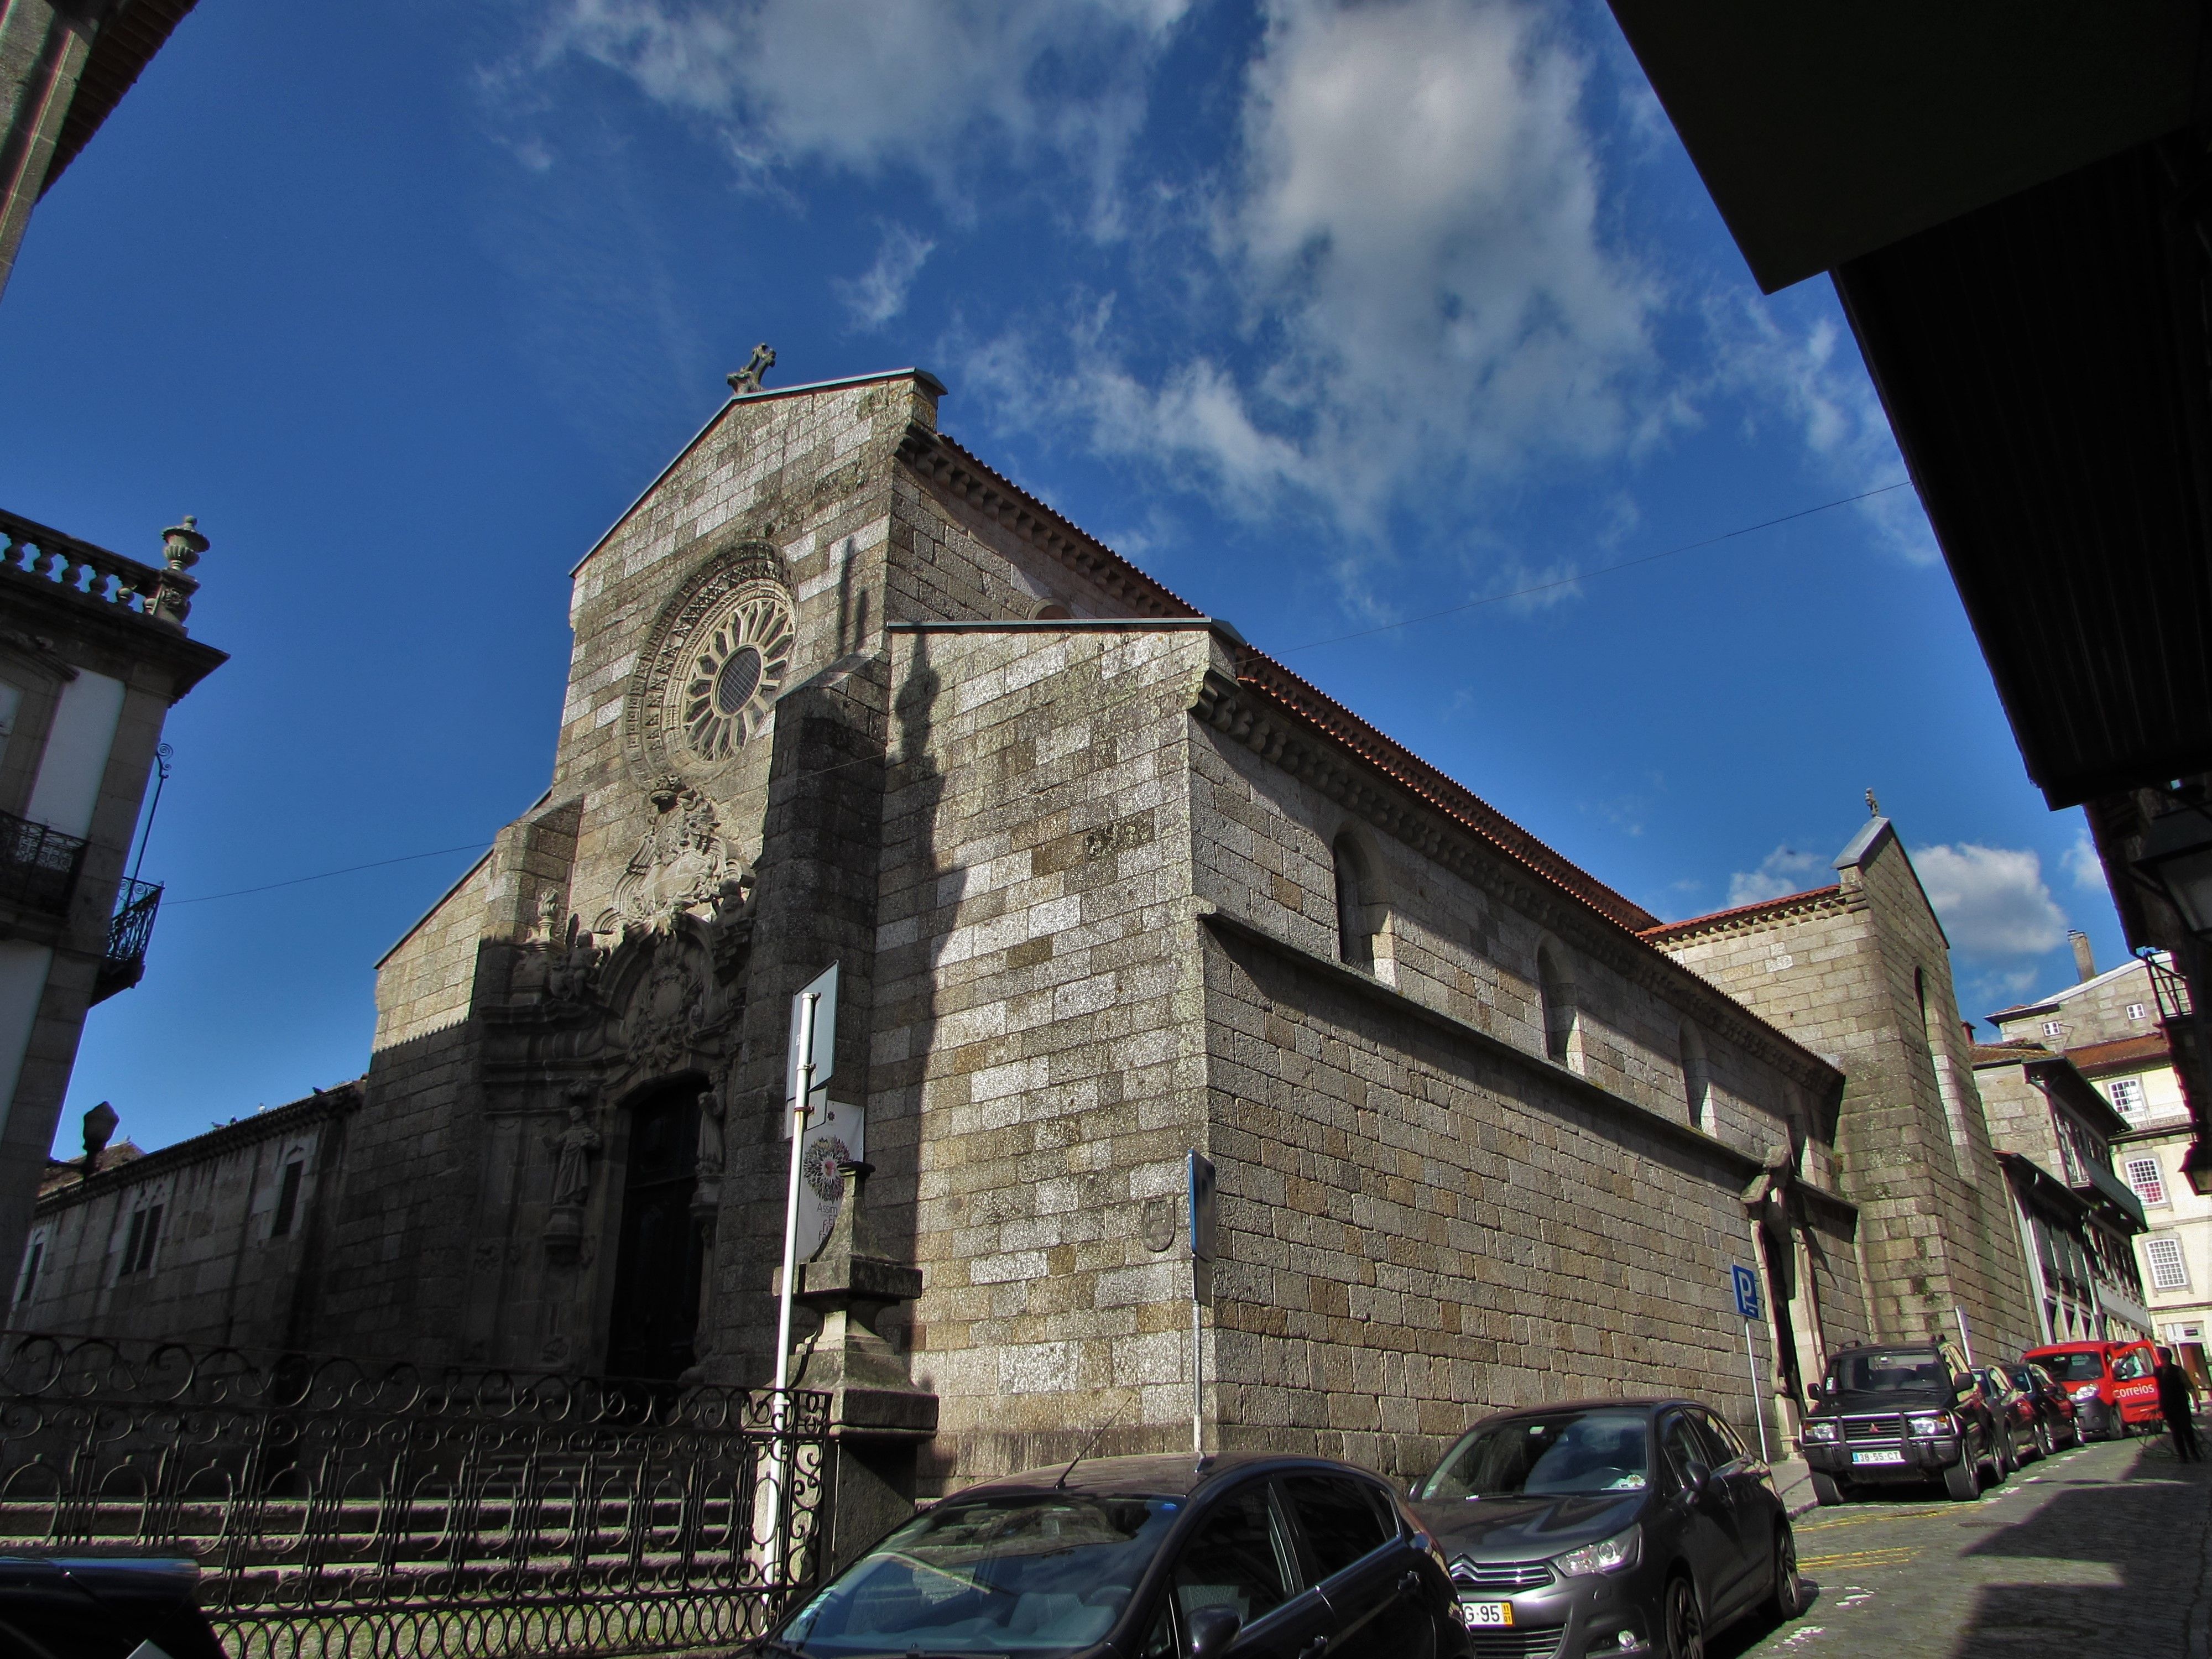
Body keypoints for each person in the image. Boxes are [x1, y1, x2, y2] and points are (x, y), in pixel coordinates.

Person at [2155, 1346, 2201, 1463]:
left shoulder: (2178, 1371)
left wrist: (2195, 1401)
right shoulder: (2157, 1371)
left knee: (2187, 1431)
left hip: (2181, 1406)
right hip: (2168, 1407)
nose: (2162, 1359)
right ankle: (2183, 1456)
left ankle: (2194, 1453)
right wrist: (2159, 1405)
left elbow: (2189, 1386)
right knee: (2176, 1432)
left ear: (2166, 1357)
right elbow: (2159, 1389)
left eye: (2162, 1356)